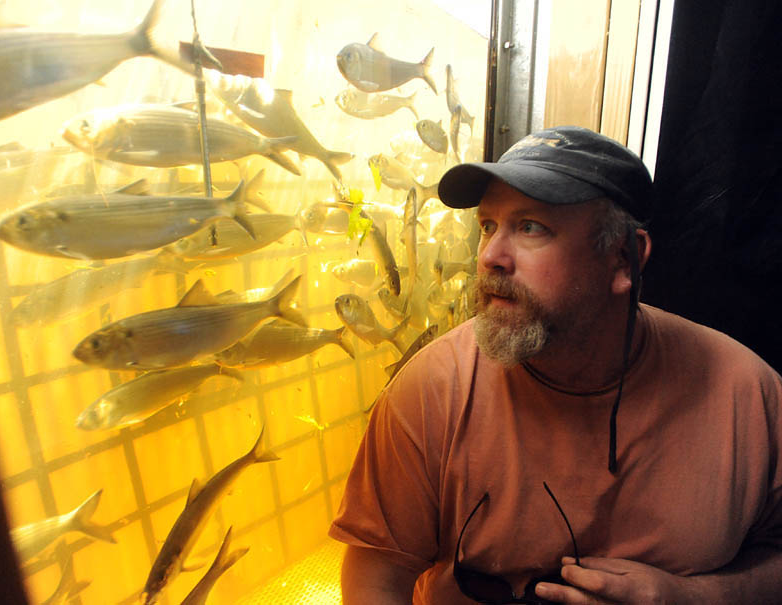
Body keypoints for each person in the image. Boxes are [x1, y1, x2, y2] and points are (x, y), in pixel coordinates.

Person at [328, 126, 782, 604]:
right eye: (488, 226)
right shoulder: (433, 389)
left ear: (624, 257)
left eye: (530, 227)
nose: (490, 257)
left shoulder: (747, 394)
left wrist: (692, 598)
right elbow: (375, 577)